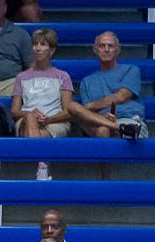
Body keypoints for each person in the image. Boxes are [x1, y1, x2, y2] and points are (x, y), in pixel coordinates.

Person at [12, 28, 100, 180]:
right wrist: (30, 114)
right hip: (26, 121)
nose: (37, 48)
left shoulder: (62, 76)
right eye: (35, 44)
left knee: (39, 135)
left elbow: (68, 110)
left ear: (51, 50)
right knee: (31, 115)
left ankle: (42, 168)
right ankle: (42, 166)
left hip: (55, 121)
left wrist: (48, 120)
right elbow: (14, 110)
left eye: (43, 44)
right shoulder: (21, 77)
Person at [75, 30, 145, 140]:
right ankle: (118, 129)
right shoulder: (86, 82)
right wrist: (104, 118)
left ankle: (121, 130)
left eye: (110, 46)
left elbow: (121, 96)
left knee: (103, 129)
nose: (106, 49)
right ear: (95, 50)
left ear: (118, 50)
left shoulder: (131, 70)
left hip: (128, 119)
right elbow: (87, 114)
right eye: (102, 46)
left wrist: (92, 105)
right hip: (100, 122)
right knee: (101, 128)